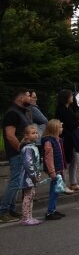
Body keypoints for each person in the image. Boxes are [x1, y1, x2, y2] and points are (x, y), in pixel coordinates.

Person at [0, 90, 34, 223]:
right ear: (20, 98)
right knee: (14, 181)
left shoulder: (22, 112)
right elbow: (10, 135)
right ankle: (3, 211)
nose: (30, 98)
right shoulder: (13, 113)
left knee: (18, 181)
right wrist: (21, 149)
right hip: (17, 153)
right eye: (28, 95)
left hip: (23, 152)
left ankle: (11, 209)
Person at [56, 89, 79, 191]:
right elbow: (69, 125)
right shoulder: (62, 110)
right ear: (66, 98)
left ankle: (73, 182)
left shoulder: (69, 108)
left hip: (71, 139)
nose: (73, 97)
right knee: (66, 161)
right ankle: (62, 184)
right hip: (67, 139)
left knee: (74, 160)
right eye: (71, 96)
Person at [42, 119, 69, 220]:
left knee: (56, 191)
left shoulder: (57, 139)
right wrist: (52, 172)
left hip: (58, 169)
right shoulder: (49, 142)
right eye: (60, 127)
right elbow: (48, 158)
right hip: (55, 171)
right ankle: (50, 212)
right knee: (54, 191)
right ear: (55, 129)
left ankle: (53, 209)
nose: (62, 129)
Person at [19, 124, 43, 226]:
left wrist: (37, 174)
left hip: (31, 176)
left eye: (36, 132)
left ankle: (29, 216)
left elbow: (35, 163)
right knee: (28, 196)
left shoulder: (33, 147)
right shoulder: (28, 148)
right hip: (28, 176)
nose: (36, 134)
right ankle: (26, 218)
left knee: (30, 195)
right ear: (26, 136)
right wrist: (33, 176)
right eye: (33, 133)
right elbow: (28, 164)